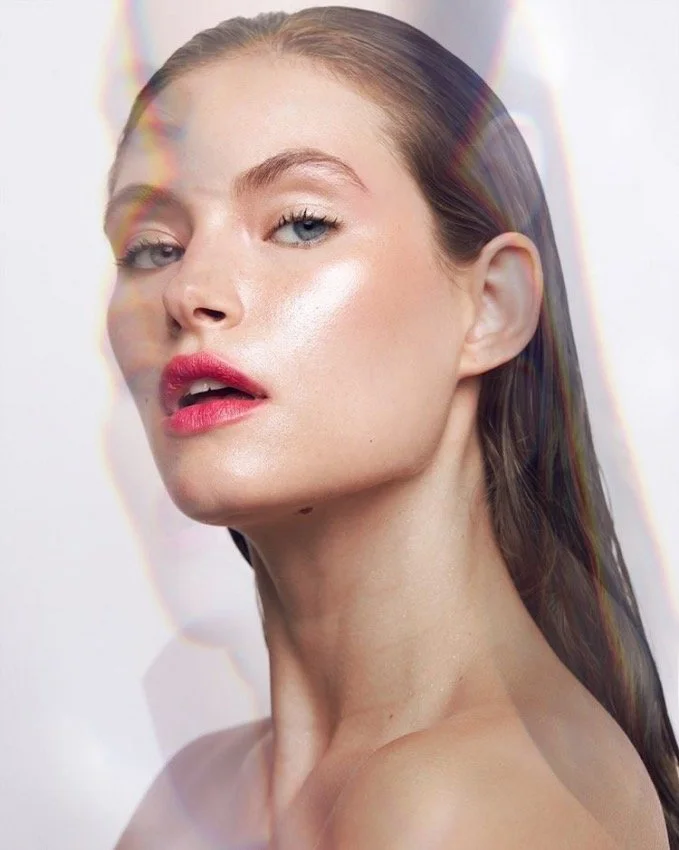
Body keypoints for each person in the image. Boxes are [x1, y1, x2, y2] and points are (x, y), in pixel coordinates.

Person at [103, 6, 678, 848]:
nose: (189, 293)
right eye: (153, 246)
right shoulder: (196, 794)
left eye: (300, 223)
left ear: (490, 306)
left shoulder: (466, 805)